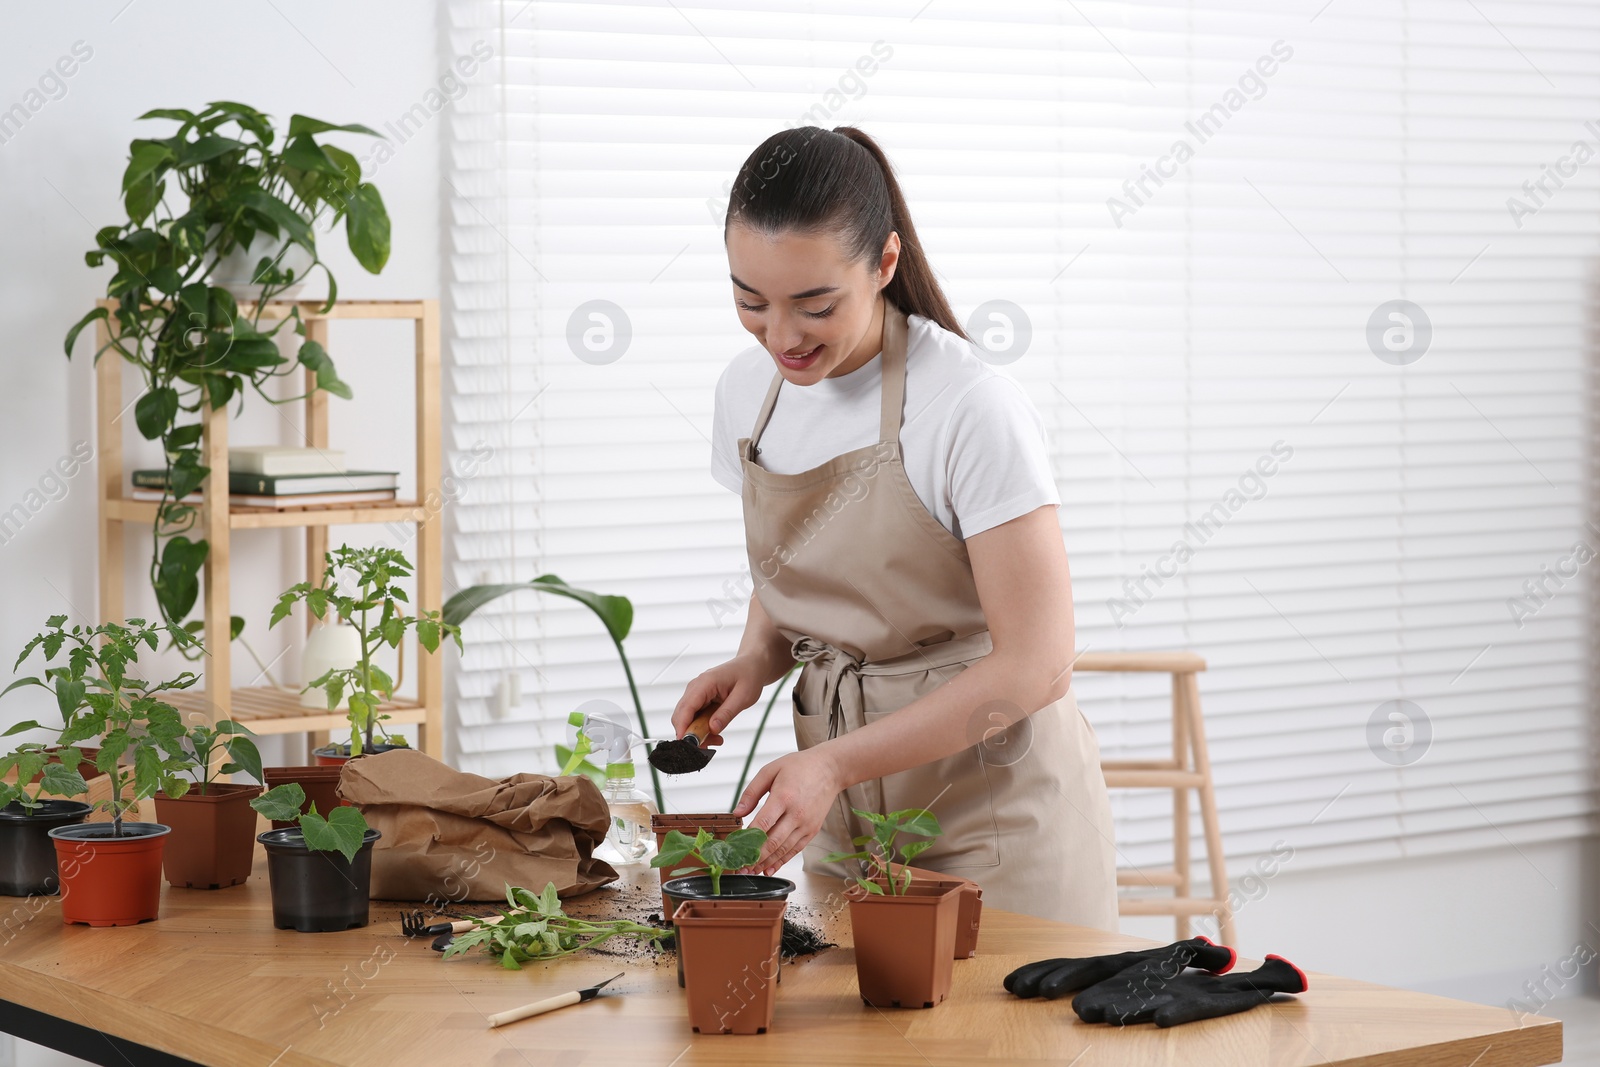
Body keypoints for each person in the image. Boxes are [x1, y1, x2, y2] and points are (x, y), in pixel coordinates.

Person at [671, 124, 1119, 931]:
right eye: (750, 301)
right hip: (843, 822)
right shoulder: (747, 394)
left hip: (997, 819)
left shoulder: (969, 407)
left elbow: (1038, 663)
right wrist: (756, 656)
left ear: (884, 263)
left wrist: (833, 762)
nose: (781, 337)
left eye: (815, 305)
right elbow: (802, 565)